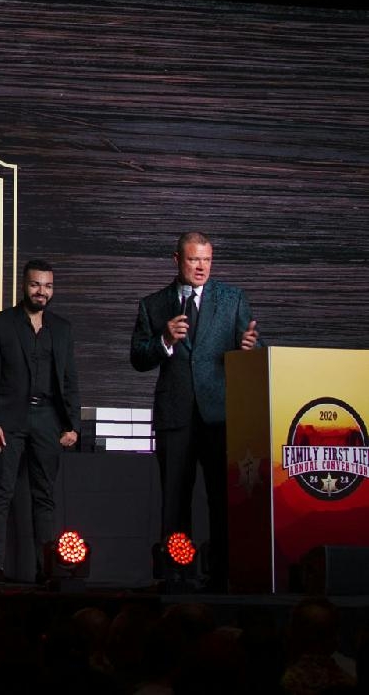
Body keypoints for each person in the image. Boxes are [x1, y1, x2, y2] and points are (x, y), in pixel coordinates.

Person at [131, 231, 257, 587]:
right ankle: (177, 571)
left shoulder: (232, 299)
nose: (201, 266)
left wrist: (250, 349)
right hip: (175, 417)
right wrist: (164, 341)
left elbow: (253, 345)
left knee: (223, 499)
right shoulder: (153, 305)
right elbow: (138, 358)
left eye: (206, 260)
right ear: (176, 260)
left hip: (220, 417)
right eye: (193, 259)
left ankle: (223, 574)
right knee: (174, 501)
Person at [0, 259, 80, 583]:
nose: (42, 291)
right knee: (1, 493)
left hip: (48, 419)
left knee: (45, 496)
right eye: (36, 284)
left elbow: (69, 380)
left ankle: (46, 569)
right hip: (9, 420)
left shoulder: (62, 328)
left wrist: (73, 425)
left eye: (48, 286)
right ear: (24, 285)